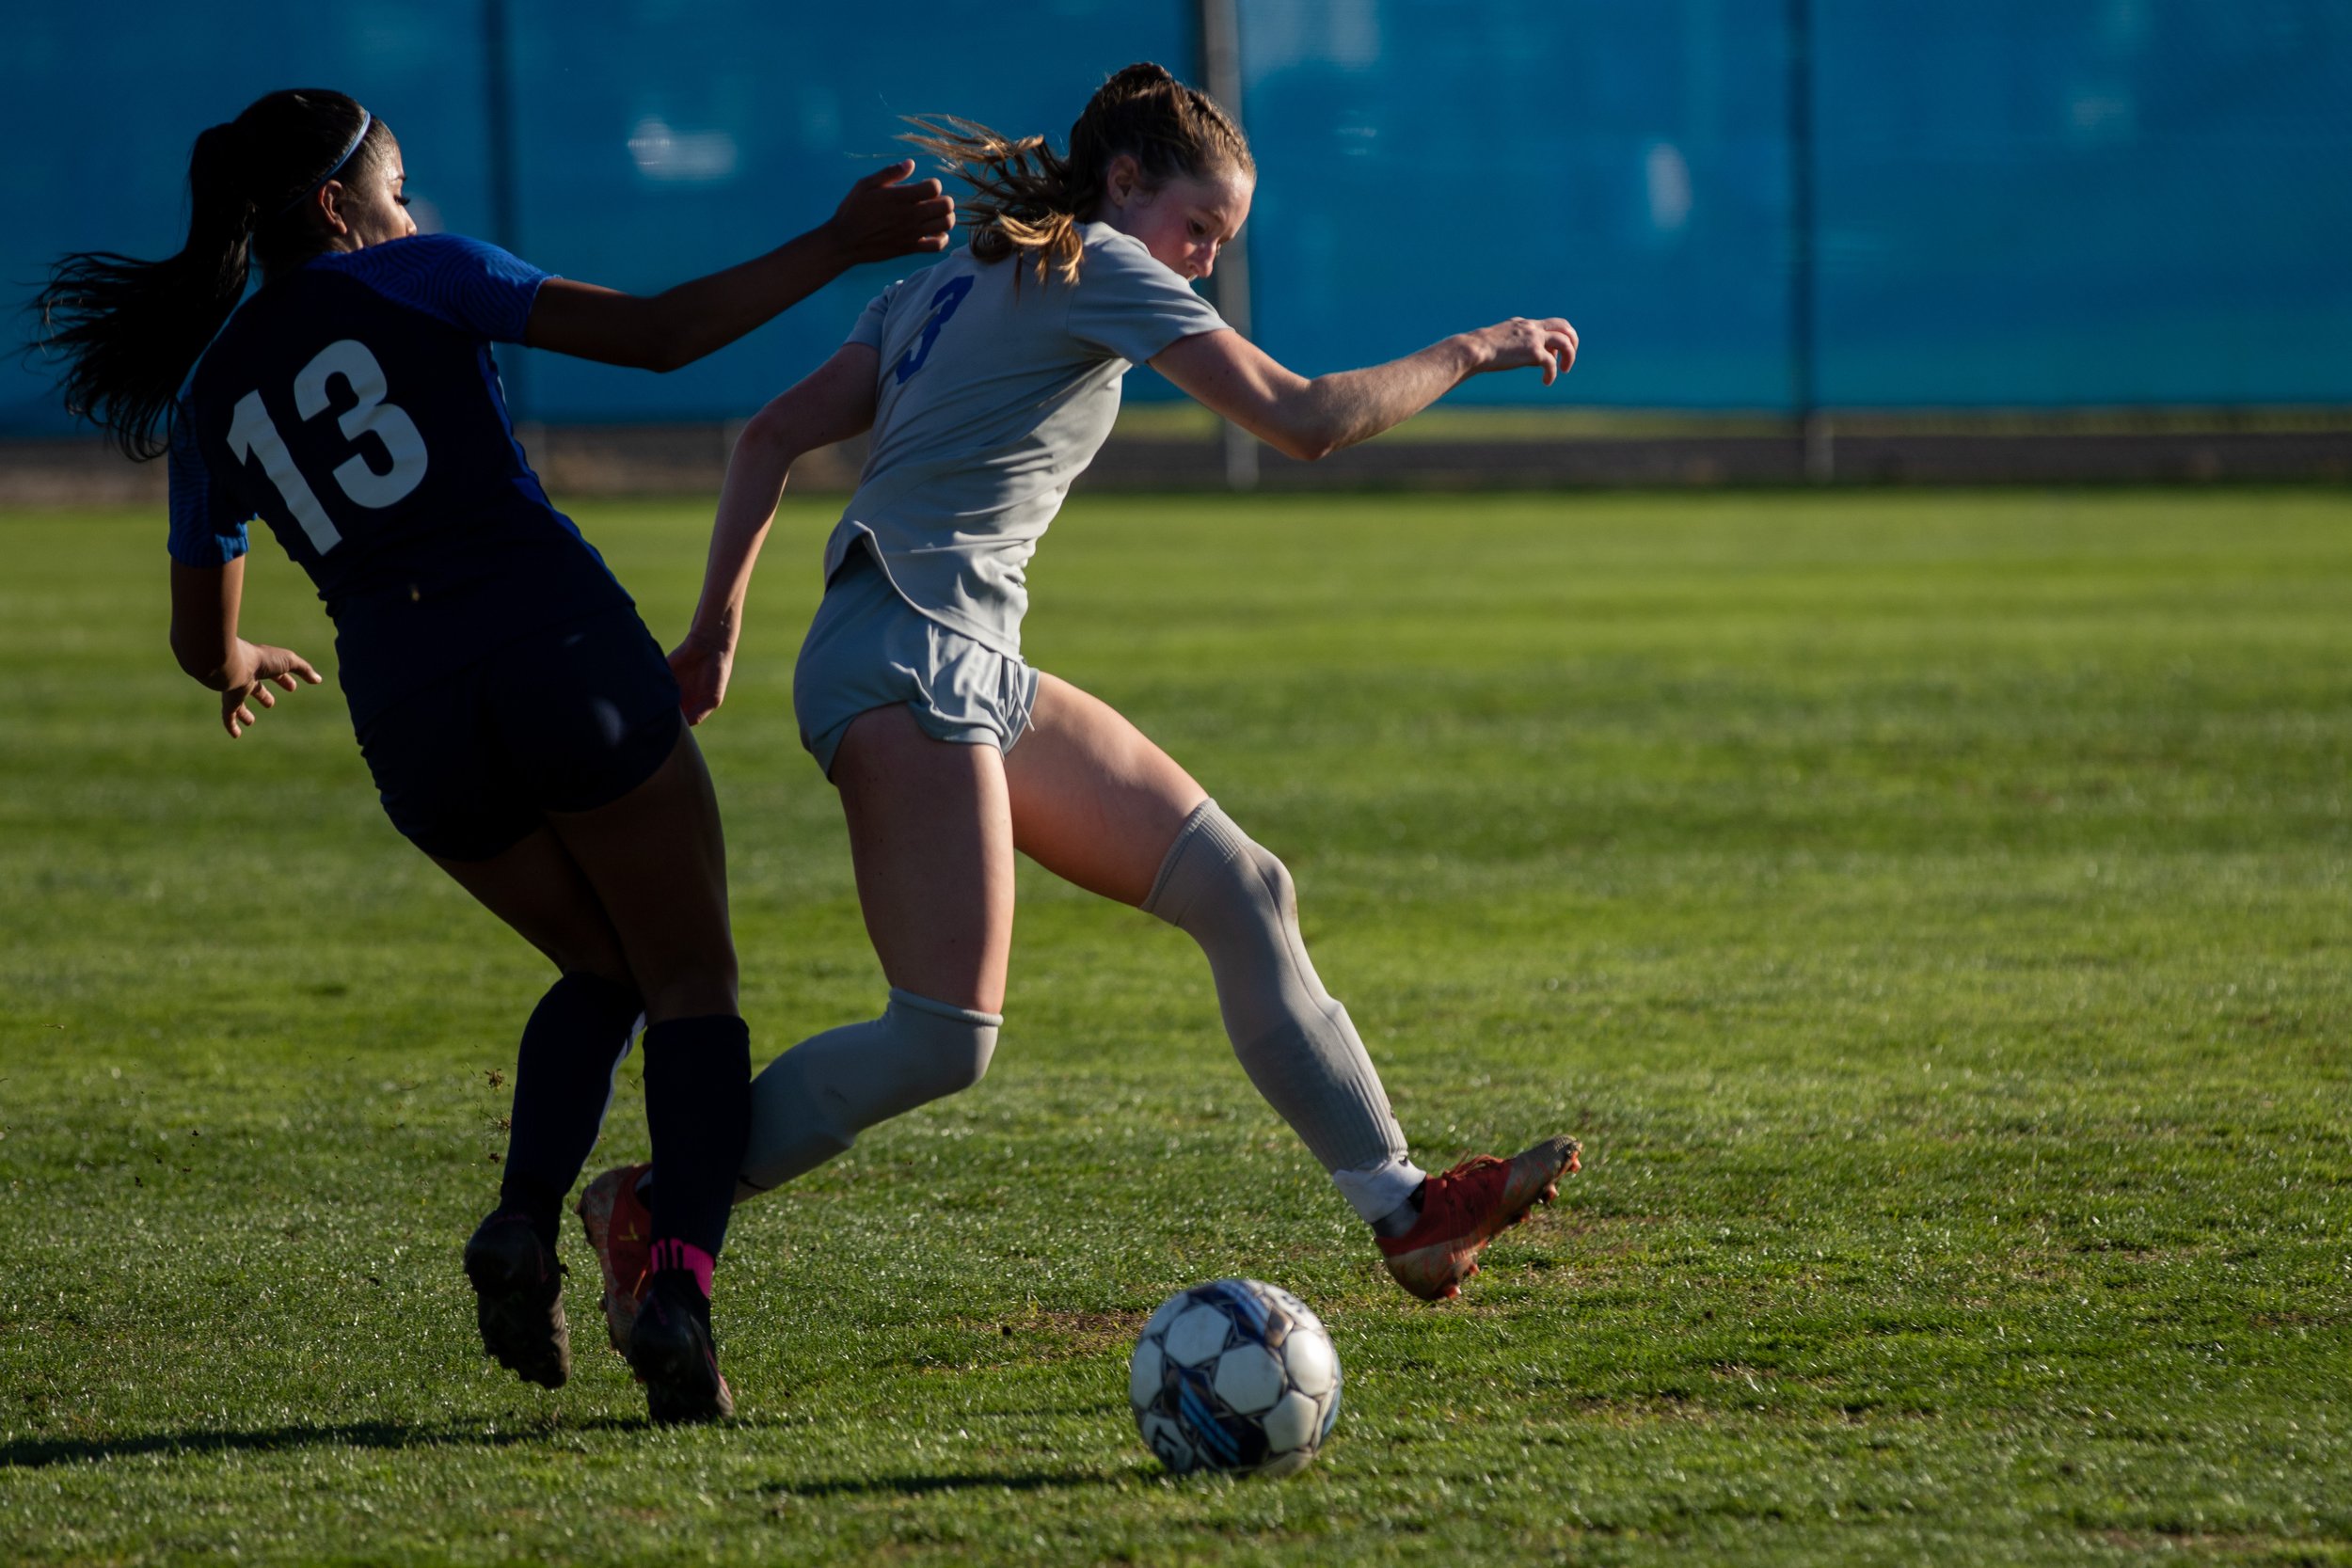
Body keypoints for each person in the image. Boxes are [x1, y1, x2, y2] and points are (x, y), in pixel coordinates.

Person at [579, 61, 1580, 1337]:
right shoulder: (1102, 266)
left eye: (1220, 242)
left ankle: (1407, 1212)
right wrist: (1477, 347)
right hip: (912, 655)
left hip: (945, 653)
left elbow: (769, 436)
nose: (1203, 262)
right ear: (1123, 185)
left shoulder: (936, 283)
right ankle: (658, 1204)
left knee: (1243, 886)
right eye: (1200, 230)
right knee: (946, 1036)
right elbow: (1307, 420)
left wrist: (717, 630)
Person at [32, 87, 953, 1423]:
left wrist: (237, 665)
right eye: (400, 190)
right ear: (338, 208)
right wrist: (837, 240)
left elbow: (198, 637)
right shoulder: (423, 276)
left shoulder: (215, 392)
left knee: (603, 965)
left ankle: (526, 1220)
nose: (418, 212)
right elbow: (659, 338)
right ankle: (679, 1285)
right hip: (552, 644)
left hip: (409, 715)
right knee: (690, 973)